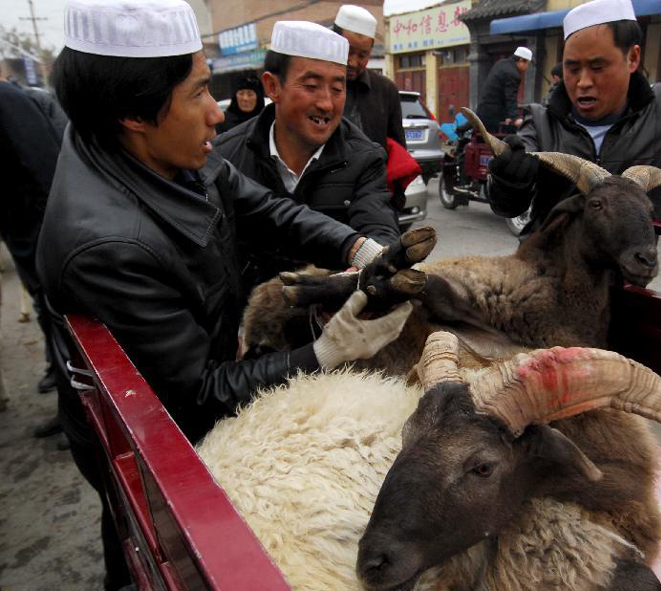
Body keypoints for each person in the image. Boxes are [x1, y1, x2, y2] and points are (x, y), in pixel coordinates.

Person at [36, 1, 413, 588]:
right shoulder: (107, 247)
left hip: (200, 361)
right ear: (134, 112)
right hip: (154, 427)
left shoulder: (168, 154)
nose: (216, 114)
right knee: (153, 544)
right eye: (198, 93)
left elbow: (267, 209)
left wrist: (359, 250)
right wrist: (324, 354)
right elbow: (194, 397)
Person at [485, 0, 661, 235]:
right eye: (573, 69)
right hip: (546, 282)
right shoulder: (542, 119)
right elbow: (506, 207)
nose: (583, 82)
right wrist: (508, 179)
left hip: (625, 282)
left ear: (633, 58)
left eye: (598, 67)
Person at [214, 20, 401, 292]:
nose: (326, 103)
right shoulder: (226, 155)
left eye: (337, 89)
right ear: (272, 86)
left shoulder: (365, 159)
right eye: (312, 86)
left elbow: (379, 227)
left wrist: (370, 267)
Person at [0, 70, 65, 440]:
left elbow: (44, 168)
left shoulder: (8, 101)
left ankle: (76, 422)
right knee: (49, 321)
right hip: (25, 239)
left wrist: (44, 243)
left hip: (41, 240)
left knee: (63, 329)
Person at [333, 4, 406, 150]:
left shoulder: (386, 90)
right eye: (348, 51)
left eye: (362, 55)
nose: (353, 62)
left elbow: (398, 147)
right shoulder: (317, 87)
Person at [476, 46, 532, 133]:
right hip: (494, 116)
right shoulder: (513, 74)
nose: (527, 67)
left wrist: (508, 115)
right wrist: (516, 118)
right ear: (521, 60)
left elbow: (501, 93)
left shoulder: (501, 63)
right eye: (527, 63)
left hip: (483, 111)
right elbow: (510, 98)